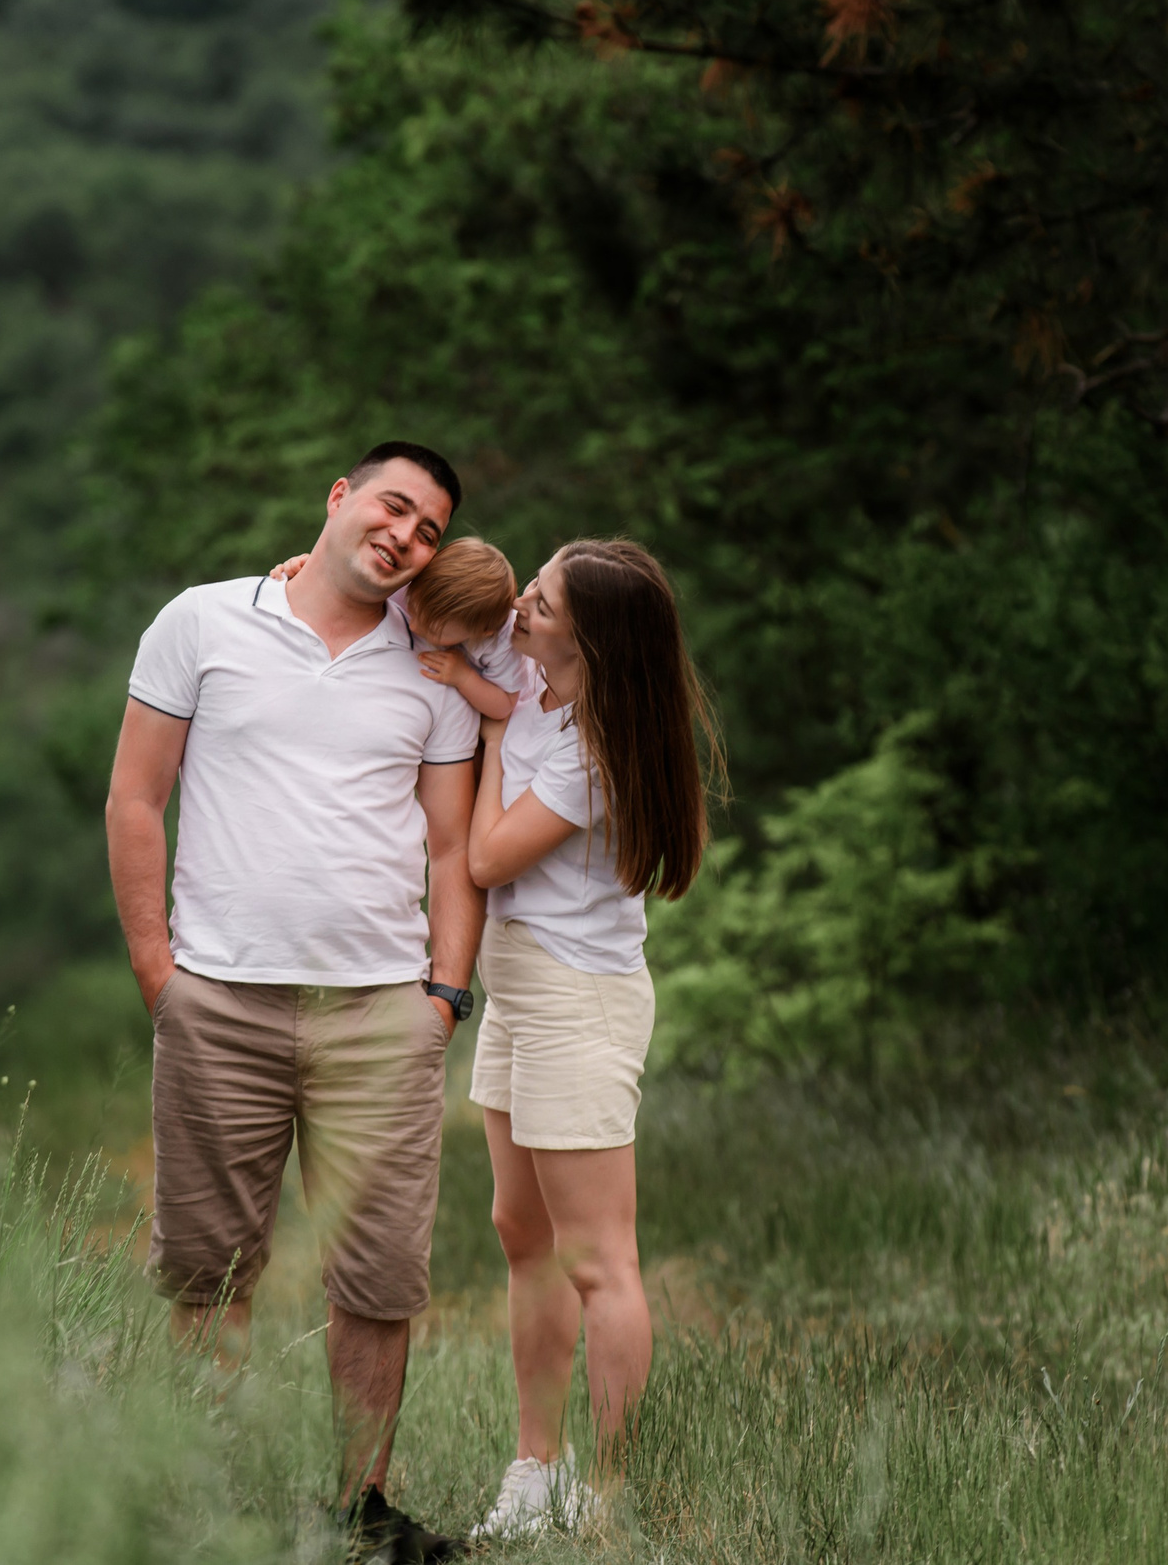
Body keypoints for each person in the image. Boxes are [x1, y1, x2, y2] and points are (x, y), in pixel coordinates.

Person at [105, 441, 486, 1563]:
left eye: (427, 530)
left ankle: (359, 1511)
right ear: (340, 497)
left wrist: (443, 996)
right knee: (210, 1264)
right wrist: (158, 975)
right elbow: (136, 796)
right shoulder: (201, 621)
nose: (404, 536)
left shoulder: (431, 665)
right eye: (392, 506)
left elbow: (457, 845)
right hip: (218, 1000)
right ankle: (211, 1502)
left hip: (380, 1013)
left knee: (377, 1273)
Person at [461, 538, 718, 1540]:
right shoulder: (536, 674)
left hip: (578, 998)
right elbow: (434, 625)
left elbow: (485, 857)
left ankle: (606, 1499)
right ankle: (535, 1468)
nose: (521, 603)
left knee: (596, 1256)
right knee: (520, 1234)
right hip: (519, 988)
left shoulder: (591, 751)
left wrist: (485, 745)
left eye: (543, 598)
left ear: (592, 638)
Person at [276, 536, 528, 722]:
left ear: (482, 632)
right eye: (414, 609)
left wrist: (464, 678)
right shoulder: (410, 588)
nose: (414, 624)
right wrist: (301, 569)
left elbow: (504, 706)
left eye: (432, 628)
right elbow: (344, 585)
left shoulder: (503, 640)